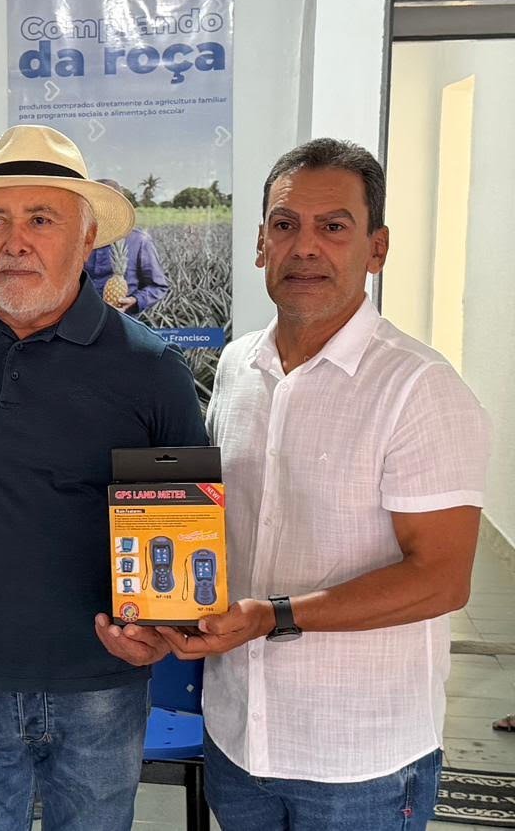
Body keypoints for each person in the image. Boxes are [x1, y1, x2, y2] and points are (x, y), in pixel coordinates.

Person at [159, 139, 490, 830]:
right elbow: (216, 524)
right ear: (261, 244)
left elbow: (441, 579)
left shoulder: (419, 388)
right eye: (285, 225)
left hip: (359, 758)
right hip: (238, 735)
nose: (305, 247)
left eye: (334, 226)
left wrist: (272, 616)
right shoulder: (237, 366)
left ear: (377, 248)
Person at [0, 124, 206, 831]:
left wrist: (162, 623)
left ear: (88, 235)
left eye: (41, 219)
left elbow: (191, 521)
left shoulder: (150, 367)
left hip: (98, 679)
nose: (15, 242)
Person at [82, 180, 169, 314]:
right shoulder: (79, 239)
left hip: (123, 319)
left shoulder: (139, 241)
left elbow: (158, 286)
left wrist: (135, 300)